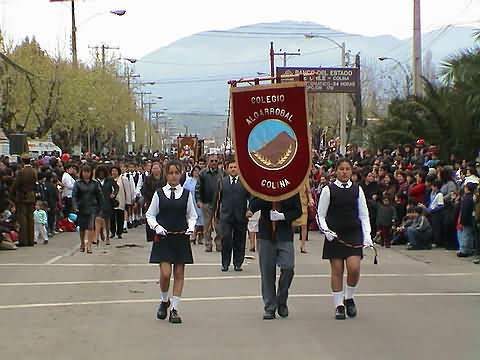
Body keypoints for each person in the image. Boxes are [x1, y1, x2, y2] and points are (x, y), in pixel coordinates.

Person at [317, 158, 373, 320]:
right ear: (336, 171)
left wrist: (367, 235)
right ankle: (338, 305)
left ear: (351, 171)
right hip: (334, 235)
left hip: (353, 233)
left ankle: (349, 297)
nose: (344, 172)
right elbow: (321, 215)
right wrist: (326, 231)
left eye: (347, 169)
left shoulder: (357, 190)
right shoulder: (328, 190)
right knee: (337, 270)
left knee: (354, 268)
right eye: (341, 169)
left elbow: (364, 214)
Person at [146, 160, 197, 324]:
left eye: (177, 172)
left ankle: (174, 309)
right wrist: (157, 227)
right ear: (165, 175)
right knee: (166, 273)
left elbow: (192, 215)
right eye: (171, 173)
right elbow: (150, 215)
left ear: (181, 174)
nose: (174, 176)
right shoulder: (159, 194)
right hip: (163, 238)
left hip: (180, 237)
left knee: (179, 274)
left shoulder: (187, 194)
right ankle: (164, 300)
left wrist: (191, 227)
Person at [247, 193, 302, 320]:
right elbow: (254, 204)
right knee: (267, 271)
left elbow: (298, 210)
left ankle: (281, 299)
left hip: (285, 234)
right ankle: (269, 306)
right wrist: (268, 197)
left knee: (288, 267)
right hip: (266, 233)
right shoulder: (263, 186)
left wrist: (283, 216)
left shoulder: (291, 187)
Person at [218, 158, 250, 272]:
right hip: (226, 216)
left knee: (240, 240)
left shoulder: (245, 182)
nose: (233, 169)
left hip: (241, 215)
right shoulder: (223, 182)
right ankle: (225, 263)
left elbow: (251, 197)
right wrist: (216, 215)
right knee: (226, 238)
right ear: (227, 169)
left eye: (235, 167)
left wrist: (250, 209)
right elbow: (217, 199)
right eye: (231, 167)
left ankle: (238, 263)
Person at [72, 164, 104, 253]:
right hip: (81, 207)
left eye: (88, 172)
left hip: (92, 207)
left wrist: (101, 207)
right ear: (81, 173)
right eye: (84, 172)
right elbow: (74, 195)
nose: (86, 174)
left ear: (91, 173)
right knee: (82, 227)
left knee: (90, 226)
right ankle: (82, 242)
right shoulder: (78, 183)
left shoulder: (95, 183)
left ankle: (89, 244)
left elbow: (100, 195)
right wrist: (75, 206)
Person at [195, 153, 223, 252]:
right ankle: (208, 244)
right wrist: (198, 200)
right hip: (206, 203)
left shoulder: (222, 173)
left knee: (219, 226)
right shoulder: (202, 173)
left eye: (216, 161)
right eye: (212, 161)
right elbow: (198, 188)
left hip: (219, 204)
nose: (214, 163)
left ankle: (219, 243)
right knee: (207, 226)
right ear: (208, 161)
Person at [12, 153, 37, 247]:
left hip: (22, 196)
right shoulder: (34, 171)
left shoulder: (20, 172)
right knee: (30, 218)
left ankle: (24, 240)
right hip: (31, 196)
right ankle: (31, 240)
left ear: (22, 161)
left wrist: (12, 193)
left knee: (23, 219)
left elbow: (16, 185)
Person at [94, 165, 119, 246]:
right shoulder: (95, 181)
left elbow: (116, 188)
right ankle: (98, 235)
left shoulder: (110, 180)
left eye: (102, 173)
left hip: (107, 202)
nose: (101, 175)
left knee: (107, 221)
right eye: (99, 173)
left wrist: (113, 194)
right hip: (97, 203)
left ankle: (108, 236)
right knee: (98, 220)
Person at [141, 162, 166, 242]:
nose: (156, 170)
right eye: (154, 168)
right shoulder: (147, 179)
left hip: (162, 201)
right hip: (150, 201)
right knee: (150, 219)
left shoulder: (164, 179)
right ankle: (151, 236)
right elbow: (144, 190)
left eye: (157, 168)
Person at [183, 165, 204, 245]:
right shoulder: (188, 181)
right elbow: (184, 190)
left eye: (198, 171)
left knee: (201, 221)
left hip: (200, 202)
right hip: (191, 202)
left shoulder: (202, 181)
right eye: (195, 171)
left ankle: (200, 237)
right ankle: (193, 236)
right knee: (193, 219)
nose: (196, 173)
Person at [291, 182, 314, 253]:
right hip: (293, 205)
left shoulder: (305, 178)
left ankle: (303, 245)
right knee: (292, 225)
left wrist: (310, 199)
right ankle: (289, 243)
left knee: (304, 225)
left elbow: (308, 191)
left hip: (303, 203)